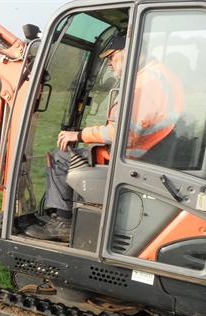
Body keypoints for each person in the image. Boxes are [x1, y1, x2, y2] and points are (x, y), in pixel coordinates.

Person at [26, 34, 185, 241]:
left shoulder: (143, 85)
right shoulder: (164, 76)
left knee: (60, 157)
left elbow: (122, 134)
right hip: (150, 152)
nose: (109, 64)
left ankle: (63, 222)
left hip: (130, 158)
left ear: (128, 53)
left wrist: (80, 134)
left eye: (111, 57)